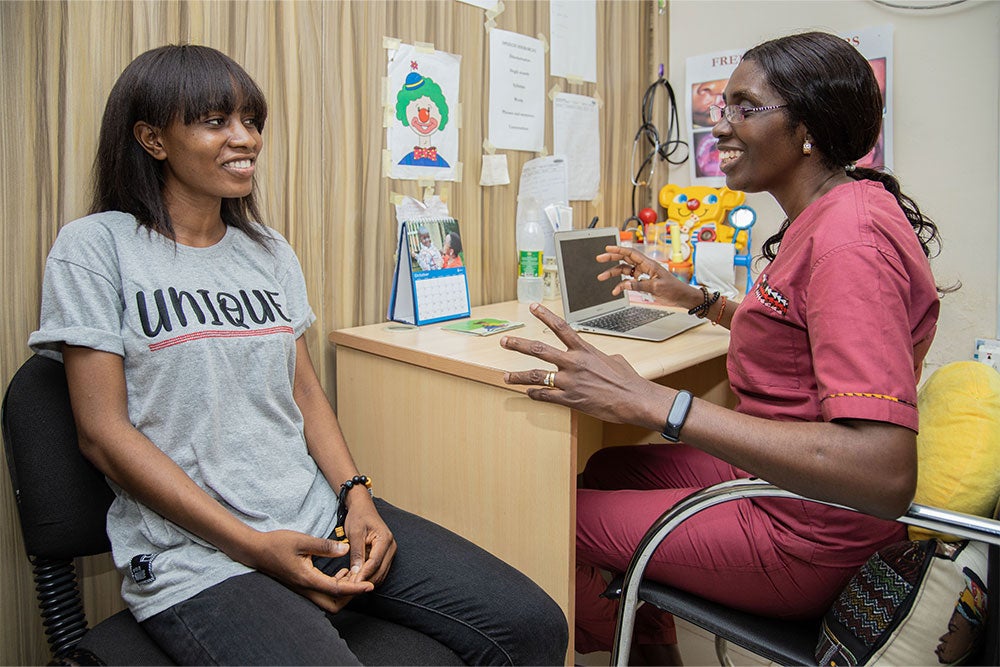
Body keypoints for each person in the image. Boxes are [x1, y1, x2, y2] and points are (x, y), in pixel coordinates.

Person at [27, 44, 567, 666]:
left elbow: (304, 390)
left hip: (318, 515)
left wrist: (356, 496)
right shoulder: (96, 248)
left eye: (251, 121)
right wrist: (255, 547)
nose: (245, 138)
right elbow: (102, 435)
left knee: (533, 625)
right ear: (152, 139)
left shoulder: (268, 251)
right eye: (215, 122)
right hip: (197, 556)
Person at [501, 31, 943, 665]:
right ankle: (652, 647)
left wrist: (658, 404)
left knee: (552, 516)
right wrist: (696, 300)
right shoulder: (838, 207)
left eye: (744, 107)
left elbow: (882, 472)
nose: (719, 125)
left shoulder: (850, 242)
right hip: (789, 482)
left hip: (810, 530)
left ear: (807, 129)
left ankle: (612, 640)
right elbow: (802, 333)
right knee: (603, 472)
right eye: (720, 107)